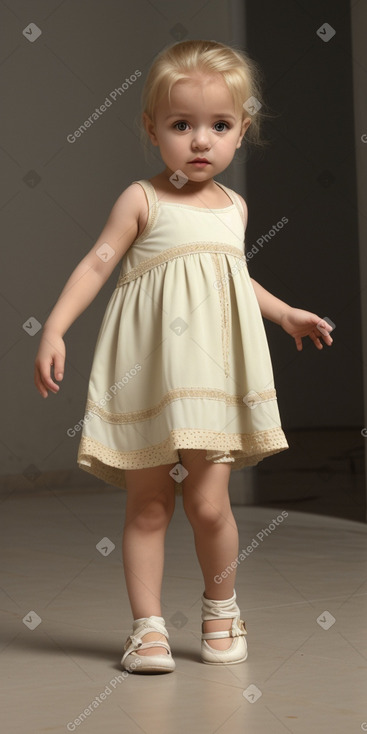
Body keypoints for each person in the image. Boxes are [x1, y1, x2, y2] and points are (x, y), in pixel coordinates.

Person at [34, 39, 334, 675]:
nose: (201, 141)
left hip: (213, 381)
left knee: (208, 503)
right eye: (181, 125)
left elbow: (232, 277)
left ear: (241, 131)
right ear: (152, 130)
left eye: (219, 126)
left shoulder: (234, 208)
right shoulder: (142, 199)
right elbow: (97, 264)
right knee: (149, 504)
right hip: (150, 380)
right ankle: (146, 630)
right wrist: (55, 327)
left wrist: (283, 313)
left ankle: (221, 608)